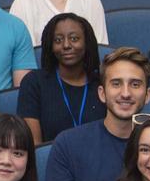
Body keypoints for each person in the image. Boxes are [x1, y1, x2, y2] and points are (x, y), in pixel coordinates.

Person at [45, 47, 150, 181]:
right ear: (102, 93)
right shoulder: (68, 144)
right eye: (116, 84)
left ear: (147, 95)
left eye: (135, 84)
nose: (125, 93)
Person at [17, 14, 106, 145]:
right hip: (51, 162)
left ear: (87, 42)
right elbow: (35, 147)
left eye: (74, 39)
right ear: (50, 46)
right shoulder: (34, 83)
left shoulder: (102, 82)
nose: (66, 45)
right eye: (58, 40)